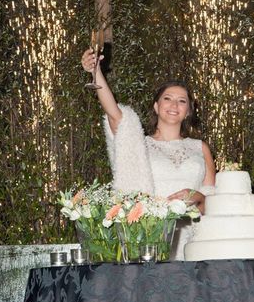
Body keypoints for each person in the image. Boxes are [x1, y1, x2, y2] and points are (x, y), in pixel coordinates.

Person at [81, 47, 216, 260]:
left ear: (189, 110)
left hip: (196, 243)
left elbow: (214, 202)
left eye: (182, 101)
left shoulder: (200, 148)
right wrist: (96, 71)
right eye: (167, 99)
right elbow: (115, 114)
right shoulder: (138, 143)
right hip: (150, 239)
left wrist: (199, 198)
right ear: (156, 106)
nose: (174, 105)